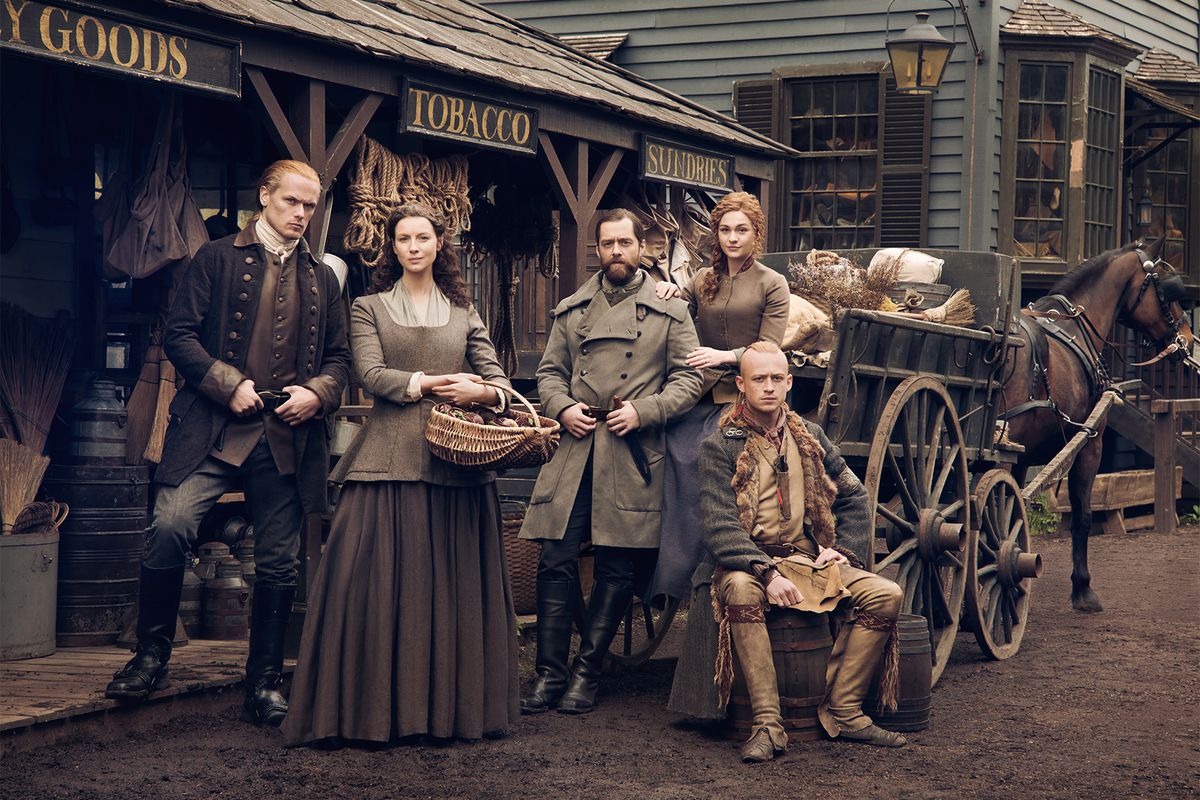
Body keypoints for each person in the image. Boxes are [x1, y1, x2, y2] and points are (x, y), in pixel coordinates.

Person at [105, 160, 351, 728]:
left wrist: (317, 393)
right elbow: (179, 336)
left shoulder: (324, 277)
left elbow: (340, 359)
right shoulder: (214, 258)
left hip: (286, 437)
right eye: (292, 202)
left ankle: (263, 680)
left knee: (278, 561)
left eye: (310, 206)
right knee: (169, 524)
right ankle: (152, 655)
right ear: (263, 196)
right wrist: (226, 383)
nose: (301, 215)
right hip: (213, 430)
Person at [282, 203, 519, 746]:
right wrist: (435, 383)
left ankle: (450, 714)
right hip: (386, 461)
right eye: (403, 239)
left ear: (440, 245)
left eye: (422, 238)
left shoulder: (465, 313)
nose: (413, 247)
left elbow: (499, 380)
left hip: (457, 467)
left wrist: (482, 391)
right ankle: (365, 715)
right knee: (368, 588)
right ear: (392, 248)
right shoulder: (367, 306)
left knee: (452, 593)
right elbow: (369, 373)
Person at [668, 341, 906, 762]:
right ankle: (767, 724)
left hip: (804, 558)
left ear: (790, 382)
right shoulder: (720, 444)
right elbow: (719, 524)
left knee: (886, 594)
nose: (769, 387)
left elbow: (854, 496)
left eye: (777, 378)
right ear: (741, 384)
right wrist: (766, 572)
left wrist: (843, 553)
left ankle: (845, 711)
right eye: (759, 379)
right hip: (744, 561)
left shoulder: (810, 436)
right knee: (741, 591)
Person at [519, 209, 703, 715]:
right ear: (596, 251)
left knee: (617, 566)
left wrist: (644, 411)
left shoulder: (671, 310)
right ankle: (549, 675)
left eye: (625, 242)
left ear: (642, 248)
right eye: (607, 244)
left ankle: (587, 673)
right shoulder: (572, 309)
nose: (616, 251)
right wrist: (562, 408)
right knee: (556, 557)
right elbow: (549, 375)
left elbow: (691, 380)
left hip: (631, 448)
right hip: (576, 446)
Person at [648, 192, 791, 603]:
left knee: (700, 459)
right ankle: (671, 574)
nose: (732, 238)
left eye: (741, 230)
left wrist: (727, 356)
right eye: (725, 230)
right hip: (700, 393)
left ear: (755, 234)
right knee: (667, 451)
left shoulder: (771, 283)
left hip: (748, 397)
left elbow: (770, 348)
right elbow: (684, 302)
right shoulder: (703, 278)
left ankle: (710, 570)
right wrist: (671, 293)